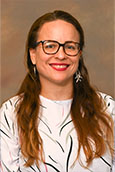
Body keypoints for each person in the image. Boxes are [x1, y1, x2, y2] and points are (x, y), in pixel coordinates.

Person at [0, 10, 114, 172]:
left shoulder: (108, 108)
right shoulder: (11, 113)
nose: (61, 55)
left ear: (79, 54)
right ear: (33, 54)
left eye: (70, 46)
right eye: (50, 46)